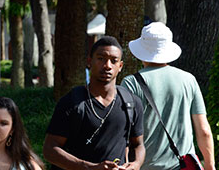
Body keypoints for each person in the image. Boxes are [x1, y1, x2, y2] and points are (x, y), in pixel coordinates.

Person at [121, 22, 215, 170]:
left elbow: (123, 131)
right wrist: (210, 166)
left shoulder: (131, 83)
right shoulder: (188, 80)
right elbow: (204, 130)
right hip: (183, 166)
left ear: (141, 51)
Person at [43, 36, 145, 170]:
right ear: (89, 61)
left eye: (113, 61)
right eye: (101, 58)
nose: (107, 66)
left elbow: (138, 144)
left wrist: (135, 164)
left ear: (120, 66)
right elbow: (50, 150)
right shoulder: (72, 102)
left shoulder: (131, 103)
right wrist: (89, 167)